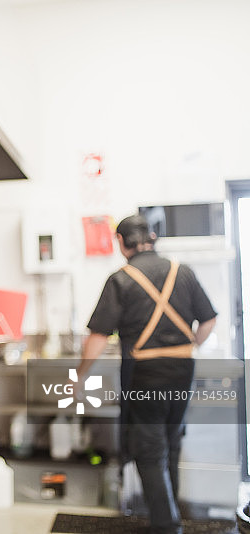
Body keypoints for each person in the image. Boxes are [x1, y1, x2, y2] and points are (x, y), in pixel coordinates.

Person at [75, 214, 217, 534]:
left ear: (122, 244)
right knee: (170, 441)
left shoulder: (121, 279)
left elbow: (98, 336)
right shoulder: (184, 272)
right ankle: (170, 512)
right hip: (183, 368)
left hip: (146, 373)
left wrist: (81, 375)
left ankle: (167, 526)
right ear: (153, 238)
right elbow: (208, 320)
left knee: (148, 450)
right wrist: (190, 343)